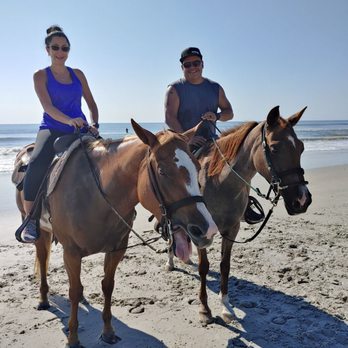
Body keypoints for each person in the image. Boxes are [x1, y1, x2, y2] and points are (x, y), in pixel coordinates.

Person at [165, 47, 264, 225]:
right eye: (188, 64)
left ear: (202, 64)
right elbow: (170, 118)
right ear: (182, 67)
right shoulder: (175, 89)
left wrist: (217, 116)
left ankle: (245, 205)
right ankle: (168, 217)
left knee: (239, 162)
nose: (192, 67)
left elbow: (229, 112)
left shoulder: (214, 87)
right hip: (183, 142)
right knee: (174, 175)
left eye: (196, 63)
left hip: (212, 141)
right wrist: (187, 138)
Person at [20, 25, 99, 243]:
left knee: (104, 159)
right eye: (55, 47)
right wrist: (69, 120)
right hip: (52, 128)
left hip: (80, 128)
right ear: (47, 49)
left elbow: (91, 104)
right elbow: (48, 107)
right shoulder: (40, 76)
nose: (60, 52)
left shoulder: (78, 74)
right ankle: (31, 220)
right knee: (36, 161)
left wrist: (95, 123)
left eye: (65, 48)